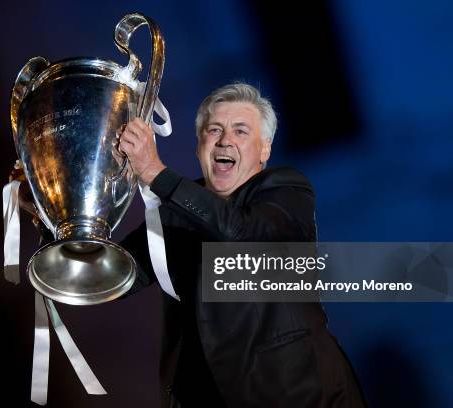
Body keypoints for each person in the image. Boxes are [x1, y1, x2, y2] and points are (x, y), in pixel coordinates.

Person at [116, 82, 367, 407]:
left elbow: (242, 236)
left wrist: (155, 172)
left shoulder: (287, 191)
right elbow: (113, 276)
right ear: (198, 146)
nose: (224, 140)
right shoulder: (172, 214)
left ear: (265, 150)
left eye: (241, 131)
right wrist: (56, 217)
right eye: (214, 129)